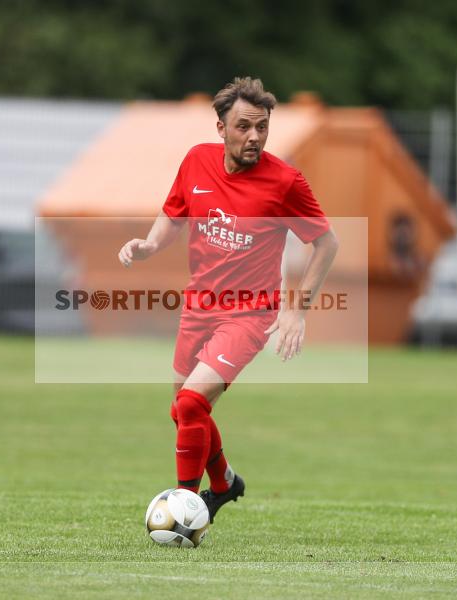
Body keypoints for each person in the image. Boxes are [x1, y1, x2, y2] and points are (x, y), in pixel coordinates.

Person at [117, 77, 338, 522]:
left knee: (192, 403)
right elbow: (174, 213)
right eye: (243, 127)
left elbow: (326, 243)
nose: (254, 136)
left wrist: (297, 309)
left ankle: (185, 505)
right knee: (182, 412)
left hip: (250, 314)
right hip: (199, 305)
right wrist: (150, 244)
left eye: (262, 127)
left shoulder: (285, 181)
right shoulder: (197, 161)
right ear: (221, 128)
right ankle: (223, 483)